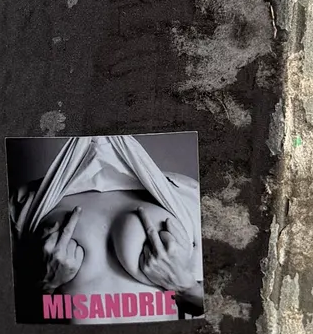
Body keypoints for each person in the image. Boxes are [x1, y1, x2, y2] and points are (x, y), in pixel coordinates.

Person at [10, 135, 204, 322]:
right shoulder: (24, 204)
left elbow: (224, 313)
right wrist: (44, 285)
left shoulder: (187, 196)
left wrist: (185, 287)